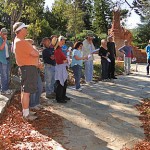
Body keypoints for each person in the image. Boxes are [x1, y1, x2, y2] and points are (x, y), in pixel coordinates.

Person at [13, 22, 39, 120]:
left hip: (25, 69)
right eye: (25, 28)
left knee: (24, 91)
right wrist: (33, 47)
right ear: (21, 30)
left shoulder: (18, 40)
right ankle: (26, 115)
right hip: (28, 69)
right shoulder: (22, 42)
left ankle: (26, 111)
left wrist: (28, 42)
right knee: (27, 92)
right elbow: (36, 53)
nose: (26, 30)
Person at [25, 39, 43, 110]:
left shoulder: (33, 49)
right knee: (33, 88)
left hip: (36, 70)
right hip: (30, 71)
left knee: (40, 87)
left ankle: (37, 102)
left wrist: (39, 63)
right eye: (30, 43)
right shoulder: (25, 51)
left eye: (32, 43)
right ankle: (32, 104)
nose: (32, 44)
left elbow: (37, 58)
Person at [51, 36, 70, 103]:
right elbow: (58, 61)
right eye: (63, 40)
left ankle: (63, 96)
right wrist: (65, 61)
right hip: (59, 69)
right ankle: (59, 98)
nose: (64, 42)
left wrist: (66, 60)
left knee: (64, 83)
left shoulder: (59, 49)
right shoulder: (57, 50)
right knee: (60, 83)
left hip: (62, 68)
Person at [0, 28, 12, 94]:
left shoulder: (7, 41)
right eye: (3, 33)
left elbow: (9, 49)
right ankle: (4, 90)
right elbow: (1, 48)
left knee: (7, 75)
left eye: (6, 33)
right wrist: (4, 40)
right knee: (4, 75)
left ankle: (6, 88)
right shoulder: (1, 39)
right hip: (2, 60)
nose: (5, 34)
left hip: (7, 59)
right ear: (0, 33)